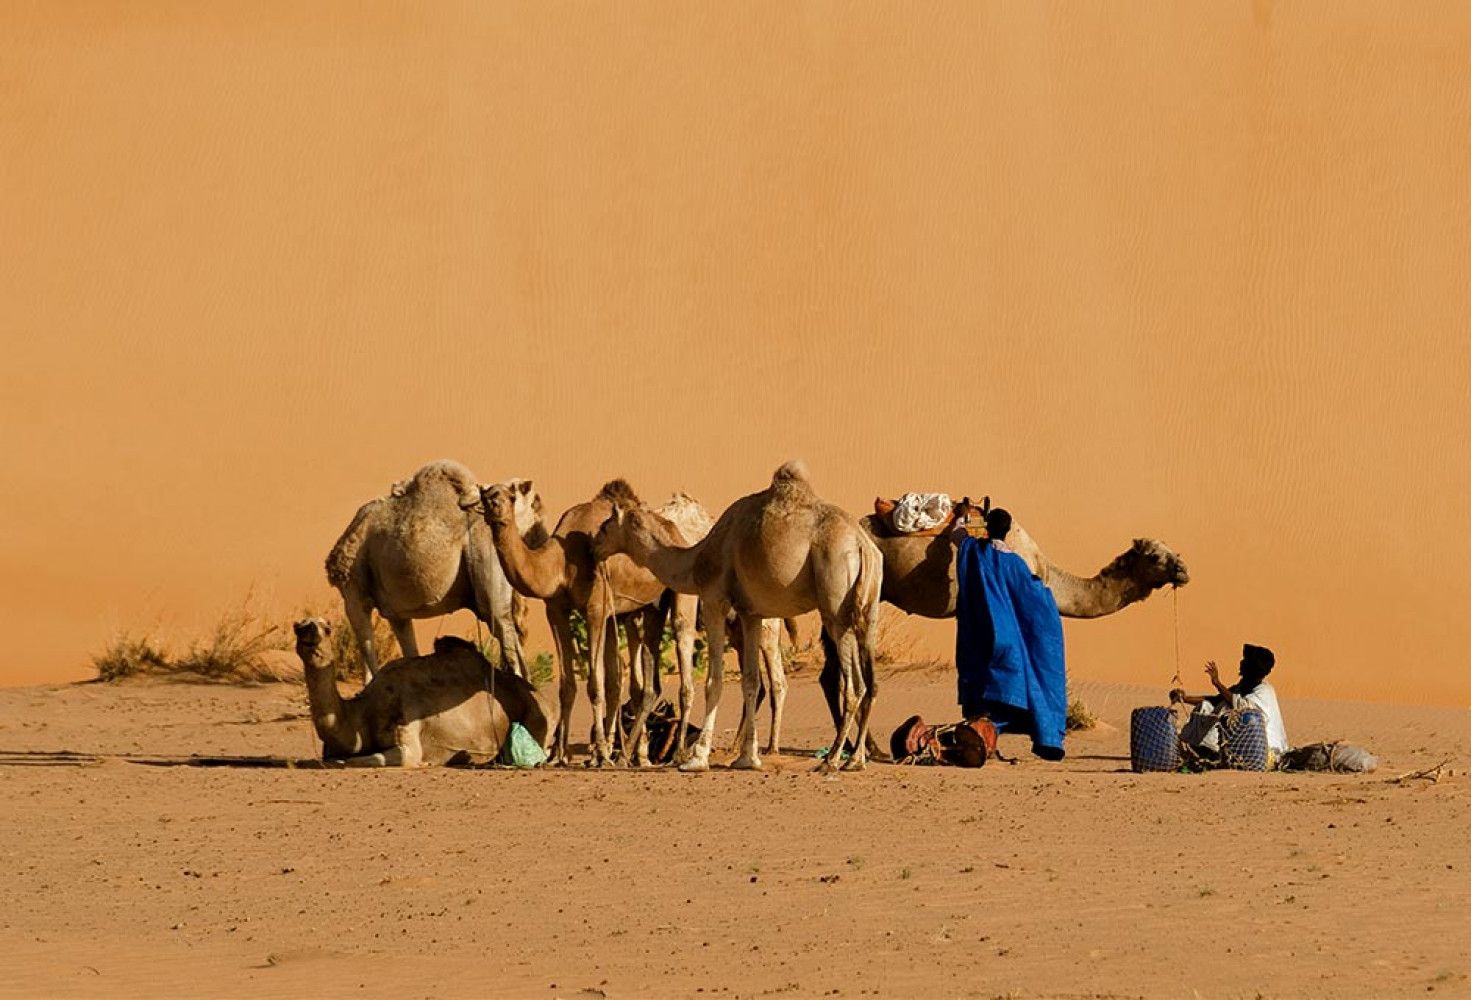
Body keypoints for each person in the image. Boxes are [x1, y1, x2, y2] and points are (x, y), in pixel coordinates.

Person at [950, 504, 1068, 760]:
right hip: (1007, 639)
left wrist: (961, 516)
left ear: (987, 528)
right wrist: (1045, 595)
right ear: (1007, 532)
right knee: (1018, 687)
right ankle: (1001, 734)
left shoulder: (971, 550)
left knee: (984, 687)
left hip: (977, 637)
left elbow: (956, 533)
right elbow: (1032, 596)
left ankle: (983, 734)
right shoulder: (1014, 563)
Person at [1171, 643, 1289, 762]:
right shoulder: (1243, 686)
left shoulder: (1264, 692)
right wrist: (1185, 698)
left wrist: (1217, 683)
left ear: (1251, 668)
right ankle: (1198, 745)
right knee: (1206, 706)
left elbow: (1241, 706)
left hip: (1267, 751)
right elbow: (1216, 699)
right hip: (1244, 747)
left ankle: (1210, 750)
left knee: (1225, 709)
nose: (1241, 663)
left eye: (1245, 661)